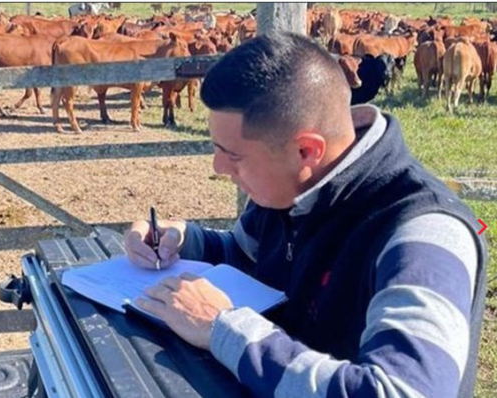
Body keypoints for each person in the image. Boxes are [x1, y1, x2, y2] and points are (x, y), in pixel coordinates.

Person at [123, 31, 487, 398]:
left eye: (233, 156)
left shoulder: (424, 233)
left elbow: (403, 391)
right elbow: (250, 257)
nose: (218, 167)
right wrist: (180, 239)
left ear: (306, 151)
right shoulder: (289, 188)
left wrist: (222, 328)